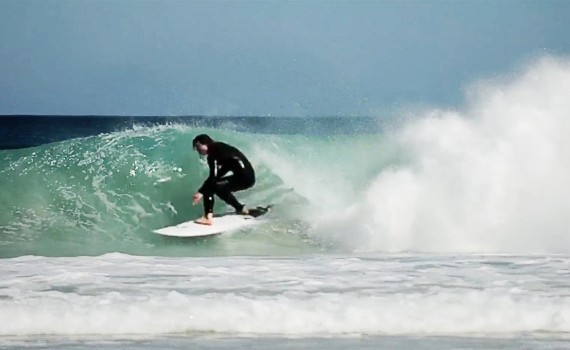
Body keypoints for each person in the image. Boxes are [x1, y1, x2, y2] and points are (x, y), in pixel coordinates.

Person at [191, 134, 255, 225]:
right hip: (249, 176)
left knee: (213, 186)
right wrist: (203, 189)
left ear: (205, 144)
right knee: (217, 186)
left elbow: (214, 176)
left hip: (244, 177)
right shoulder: (220, 147)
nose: (197, 150)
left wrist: (202, 191)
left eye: (198, 146)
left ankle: (207, 217)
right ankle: (241, 208)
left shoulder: (213, 153)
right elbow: (226, 167)